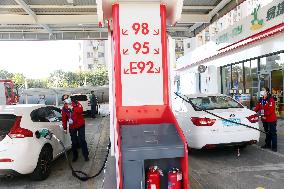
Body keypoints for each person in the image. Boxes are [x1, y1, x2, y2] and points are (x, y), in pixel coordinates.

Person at [62, 95, 89, 162]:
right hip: (72, 126)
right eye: (65, 99)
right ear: (63, 101)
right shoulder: (64, 108)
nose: (67, 99)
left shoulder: (76, 103)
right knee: (74, 142)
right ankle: (75, 156)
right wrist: (65, 128)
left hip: (80, 125)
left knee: (82, 140)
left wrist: (73, 108)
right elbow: (64, 118)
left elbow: (81, 110)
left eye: (67, 98)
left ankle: (86, 155)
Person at [254, 87, 277, 152]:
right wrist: (252, 112)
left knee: (273, 133)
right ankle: (268, 144)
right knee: (267, 132)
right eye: (261, 90)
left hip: (271, 119)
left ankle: (274, 147)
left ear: (267, 92)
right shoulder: (261, 99)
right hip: (264, 120)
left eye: (263, 90)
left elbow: (270, 110)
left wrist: (263, 115)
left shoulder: (271, 99)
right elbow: (257, 107)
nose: (262, 91)